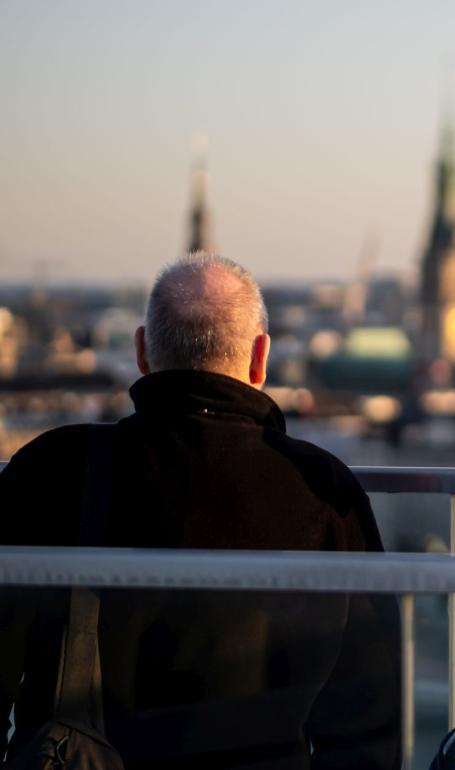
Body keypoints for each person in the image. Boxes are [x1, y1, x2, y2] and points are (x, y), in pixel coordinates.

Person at [0, 253, 400, 769]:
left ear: (142, 351)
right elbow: (368, 717)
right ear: (261, 358)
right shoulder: (322, 491)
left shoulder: (49, 469)